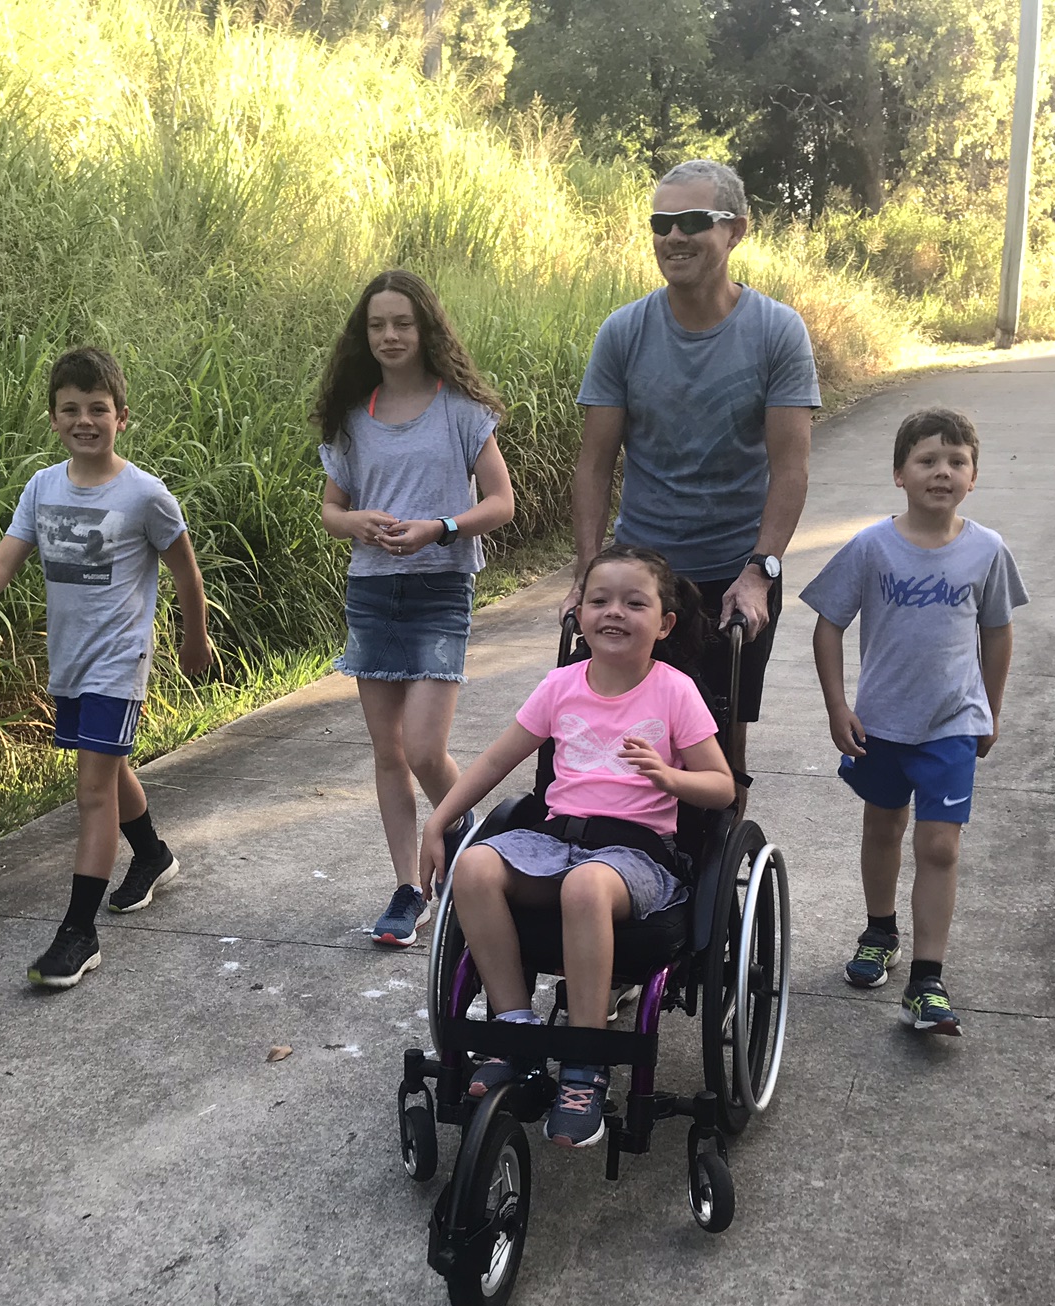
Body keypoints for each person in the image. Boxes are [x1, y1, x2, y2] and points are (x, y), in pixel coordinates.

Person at [417, 545, 735, 1148]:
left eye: (634, 603)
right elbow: (494, 761)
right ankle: (513, 1029)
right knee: (477, 866)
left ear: (664, 624)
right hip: (555, 842)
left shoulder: (675, 692)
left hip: (637, 859)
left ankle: (584, 1066)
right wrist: (441, 820)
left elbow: (721, 787)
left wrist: (671, 779)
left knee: (585, 887)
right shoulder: (561, 686)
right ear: (580, 614)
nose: (614, 612)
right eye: (600, 599)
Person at [0, 346, 213, 989]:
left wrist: (195, 640)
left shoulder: (145, 495)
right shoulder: (43, 487)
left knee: (90, 792)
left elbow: (187, 575)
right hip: (71, 658)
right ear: (53, 418)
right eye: (70, 409)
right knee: (106, 770)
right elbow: (5, 558)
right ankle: (152, 854)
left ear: (122, 416)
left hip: (118, 660)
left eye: (97, 408)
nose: (84, 420)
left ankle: (78, 933)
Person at [567, 158, 820, 766]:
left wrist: (761, 571)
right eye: (661, 222)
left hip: (734, 574)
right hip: (642, 575)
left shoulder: (777, 333)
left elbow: (791, 469)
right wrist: (586, 574)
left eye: (692, 221)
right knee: (610, 736)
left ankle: (714, 849)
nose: (674, 236)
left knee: (718, 750)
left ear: (735, 230)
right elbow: (594, 464)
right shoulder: (623, 333)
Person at [799, 407, 1027, 1035]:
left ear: (974, 476)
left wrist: (991, 708)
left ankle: (927, 979)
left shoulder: (987, 550)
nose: (942, 472)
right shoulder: (873, 546)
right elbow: (828, 623)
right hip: (881, 724)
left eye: (957, 462)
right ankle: (879, 931)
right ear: (899, 473)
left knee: (940, 845)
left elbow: (998, 632)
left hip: (952, 722)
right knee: (883, 828)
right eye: (927, 460)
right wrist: (837, 705)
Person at [314, 269, 517, 947]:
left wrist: (441, 526)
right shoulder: (353, 416)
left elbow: (500, 502)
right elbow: (330, 511)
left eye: (403, 323)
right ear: (363, 334)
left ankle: (475, 852)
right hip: (372, 592)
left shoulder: (460, 408)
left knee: (426, 747)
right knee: (388, 751)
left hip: (439, 589)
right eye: (378, 325)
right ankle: (411, 888)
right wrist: (357, 524)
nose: (391, 335)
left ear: (425, 328)